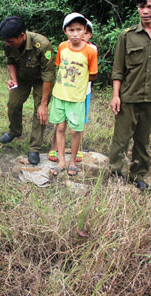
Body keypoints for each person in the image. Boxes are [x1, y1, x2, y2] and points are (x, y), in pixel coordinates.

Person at [108, 0, 151, 191]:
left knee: (143, 141)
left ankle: (138, 175)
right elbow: (118, 69)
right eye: (141, 7)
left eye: (150, 7)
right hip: (128, 98)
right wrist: (115, 95)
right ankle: (116, 175)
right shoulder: (127, 35)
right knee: (120, 140)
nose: (145, 11)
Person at [0, 16, 55, 165]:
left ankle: (34, 148)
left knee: (39, 113)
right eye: (6, 41)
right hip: (21, 77)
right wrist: (13, 79)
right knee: (13, 104)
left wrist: (43, 104)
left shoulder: (42, 44)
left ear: (22, 36)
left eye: (10, 41)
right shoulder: (8, 42)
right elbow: (10, 61)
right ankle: (15, 131)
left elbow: (48, 76)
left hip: (41, 80)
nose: (7, 44)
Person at [48, 13, 98, 176]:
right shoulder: (62, 47)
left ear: (85, 30)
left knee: (75, 131)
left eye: (79, 29)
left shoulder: (90, 51)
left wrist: (78, 85)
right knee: (60, 127)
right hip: (59, 95)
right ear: (65, 31)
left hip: (77, 98)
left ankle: (72, 162)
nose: (75, 33)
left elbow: (93, 74)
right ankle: (62, 161)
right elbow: (59, 66)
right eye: (71, 30)